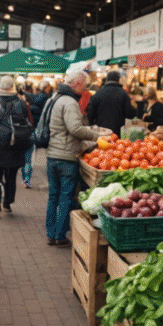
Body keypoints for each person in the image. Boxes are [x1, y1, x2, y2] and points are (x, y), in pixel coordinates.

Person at [45, 70, 109, 247]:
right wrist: (97, 136)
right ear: (77, 83)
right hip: (66, 156)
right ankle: (59, 235)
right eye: (85, 85)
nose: (85, 90)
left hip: (52, 154)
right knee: (66, 197)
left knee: (53, 196)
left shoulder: (54, 98)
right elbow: (75, 129)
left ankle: (50, 233)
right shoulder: (70, 101)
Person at [0, 76, 32, 212]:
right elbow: (26, 121)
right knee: (11, 175)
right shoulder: (21, 102)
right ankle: (7, 203)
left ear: (0, 86)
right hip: (16, 145)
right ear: (13, 87)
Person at [87, 70, 136, 136]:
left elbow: (91, 115)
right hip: (118, 131)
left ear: (107, 79)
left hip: (101, 131)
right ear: (118, 80)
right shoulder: (123, 94)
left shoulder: (98, 94)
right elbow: (129, 114)